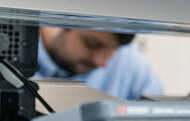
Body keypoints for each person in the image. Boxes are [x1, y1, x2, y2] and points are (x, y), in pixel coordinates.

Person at [35, 27, 163, 100]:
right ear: (62, 23)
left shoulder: (130, 62)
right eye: (92, 44)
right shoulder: (17, 50)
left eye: (114, 51)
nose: (102, 63)